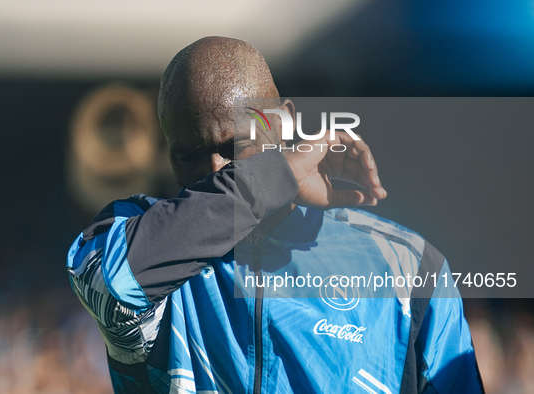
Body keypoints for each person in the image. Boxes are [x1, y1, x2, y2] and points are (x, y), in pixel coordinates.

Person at [67, 36, 483, 393]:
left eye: (234, 148)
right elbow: (111, 284)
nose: (215, 171)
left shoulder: (409, 268)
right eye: (187, 155)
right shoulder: (144, 238)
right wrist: (268, 179)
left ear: (283, 122)